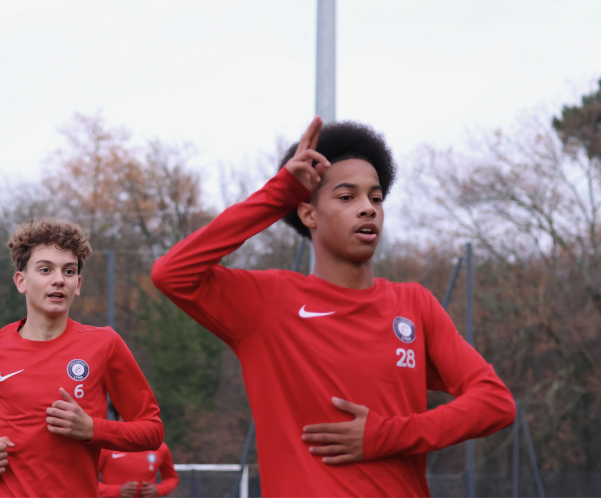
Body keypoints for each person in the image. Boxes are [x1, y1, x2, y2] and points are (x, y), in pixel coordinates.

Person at [151, 117, 516, 497]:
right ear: (308, 213)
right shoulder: (267, 302)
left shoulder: (414, 304)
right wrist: (280, 193)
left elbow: (495, 402)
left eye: (376, 198)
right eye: (347, 197)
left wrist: (388, 434)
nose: (367, 208)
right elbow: (172, 272)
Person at [0, 218, 164, 497]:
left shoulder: (105, 345)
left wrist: (92, 428)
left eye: (69, 271)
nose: (58, 279)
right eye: (45, 269)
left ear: (78, 284)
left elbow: (152, 431)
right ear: (21, 281)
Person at [98, 409, 179, 498]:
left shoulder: (160, 448)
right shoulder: (105, 446)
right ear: (117, 417)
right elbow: (88, 481)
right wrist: (116, 491)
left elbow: (172, 478)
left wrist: (159, 490)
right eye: (126, 416)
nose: (131, 422)